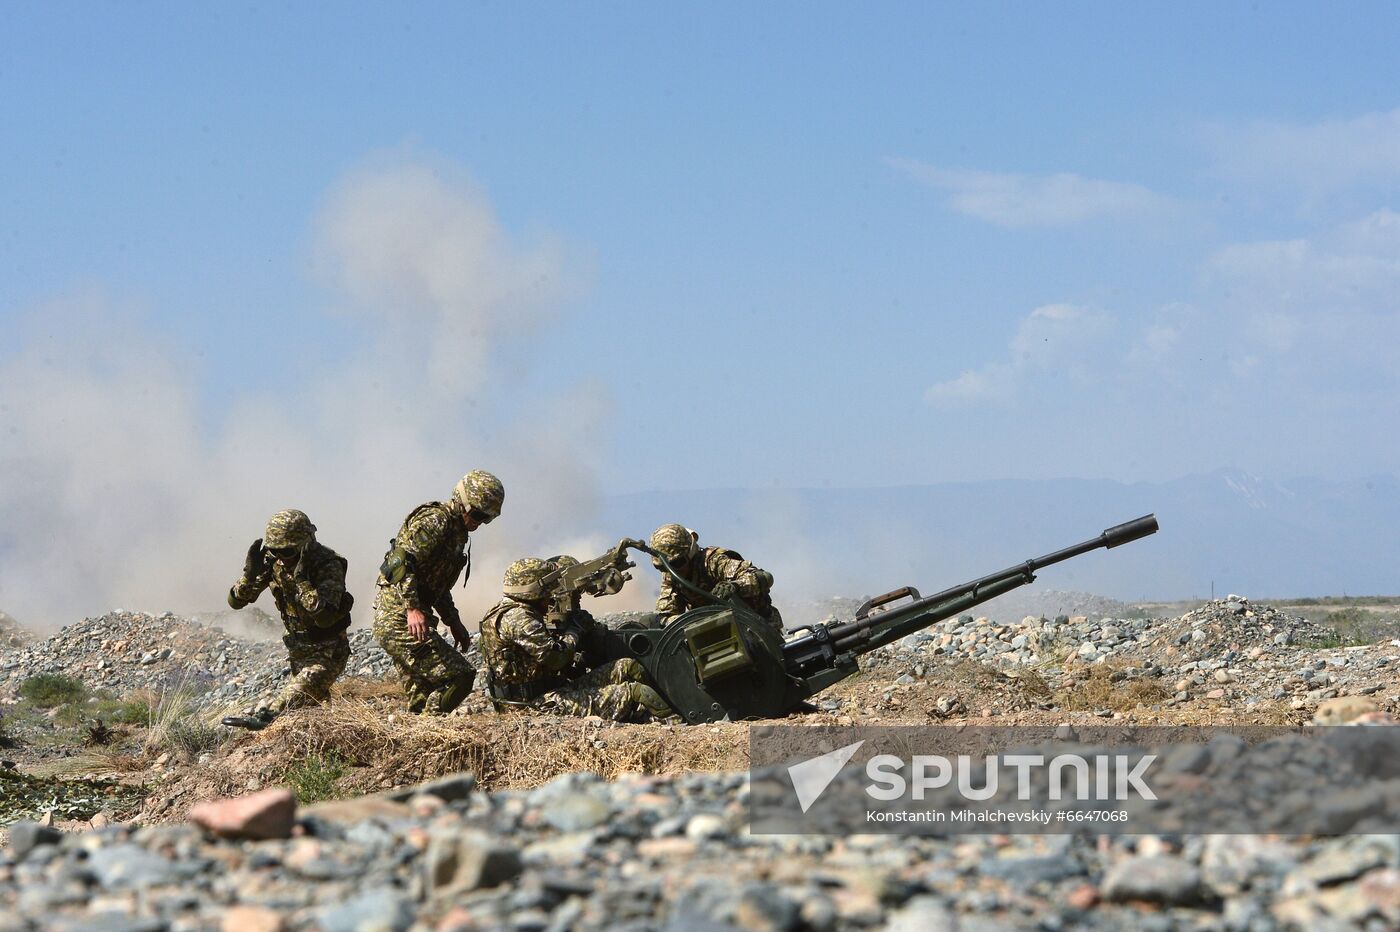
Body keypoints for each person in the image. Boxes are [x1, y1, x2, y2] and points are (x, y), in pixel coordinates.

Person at [373, 469, 503, 714]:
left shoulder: (457, 533)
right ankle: (428, 729)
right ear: (462, 500)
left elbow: (437, 586)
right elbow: (401, 563)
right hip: (399, 617)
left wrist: (453, 622)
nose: (479, 522)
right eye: (476, 514)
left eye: (486, 518)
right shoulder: (436, 521)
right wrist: (412, 608)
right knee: (460, 676)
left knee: (422, 696)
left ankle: (415, 740)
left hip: (408, 617)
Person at [478, 557, 672, 721]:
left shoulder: (516, 612)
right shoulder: (517, 618)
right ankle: (674, 721)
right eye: (547, 593)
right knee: (634, 692)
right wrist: (575, 631)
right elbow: (556, 659)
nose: (550, 600)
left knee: (627, 666)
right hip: (532, 706)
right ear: (533, 592)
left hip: (551, 690)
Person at [222, 509, 353, 730]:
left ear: (306, 544)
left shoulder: (328, 564)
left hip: (328, 651)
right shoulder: (275, 562)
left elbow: (324, 617)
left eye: (288, 551)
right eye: (276, 551)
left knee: (288, 703)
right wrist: (249, 575)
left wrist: (301, 580)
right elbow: (237, 602)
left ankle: (268, 717)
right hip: (298, 651)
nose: (282, 557)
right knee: (307, 714)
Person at [648, 523, 783, 629]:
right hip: (714, 633)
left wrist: (735, 586)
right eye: (663, 567)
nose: (672, 571)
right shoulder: (671, 577)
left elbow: (764, 578)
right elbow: (667, 615)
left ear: (689, 554)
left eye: (677, 563)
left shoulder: (712, 562)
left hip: (757, 625)